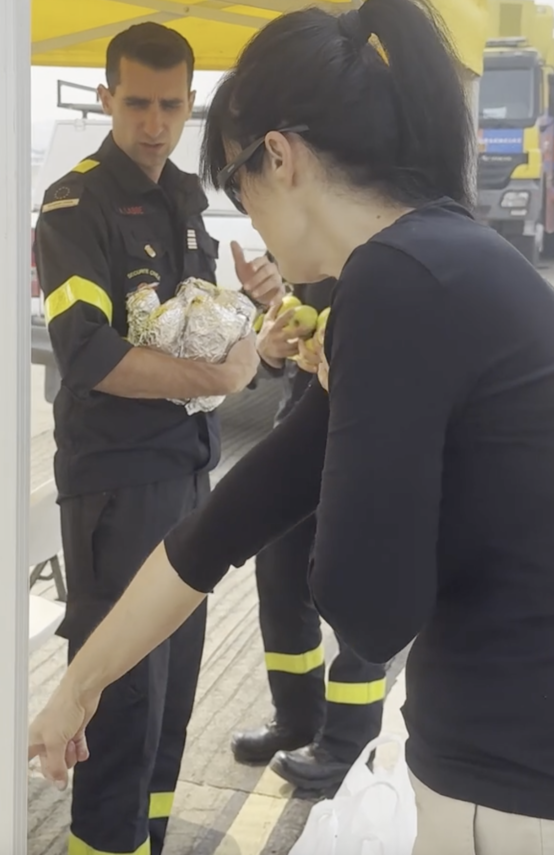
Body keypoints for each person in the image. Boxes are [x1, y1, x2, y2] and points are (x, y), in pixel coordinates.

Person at [29, 0, 554, 854]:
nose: (254, 228)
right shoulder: (439, 259)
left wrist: (366, 409)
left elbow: (367, 606)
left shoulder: (396, 285)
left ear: (279, 157)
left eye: (242, 192)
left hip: (551, 803)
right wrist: (80, 685)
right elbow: (221, 528)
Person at [33, 21, 261, 855]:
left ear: (190, 104)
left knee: (170, 700)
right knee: (121, 705)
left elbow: (195, 330)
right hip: (118, 487)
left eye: (170, 105)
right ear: (106, 99)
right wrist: (222, 380)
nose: (154, 122)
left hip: (184, 474)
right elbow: (87, 352)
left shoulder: (188, 201)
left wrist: (254, 316)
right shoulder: (76, 204)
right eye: (136, 103)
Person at [227, 268, 390, 795]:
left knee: (353, 590)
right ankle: (296, 720)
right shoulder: (299, 243)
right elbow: (275, 330)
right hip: (298, 433)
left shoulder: (386, 250)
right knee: (278, 579)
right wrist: (270, 345)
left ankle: (347, 745)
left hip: (364, 440)